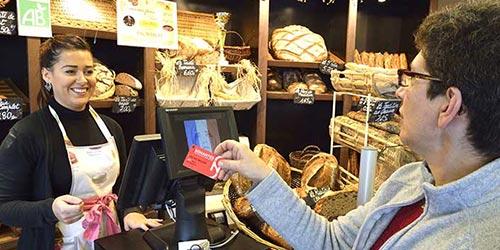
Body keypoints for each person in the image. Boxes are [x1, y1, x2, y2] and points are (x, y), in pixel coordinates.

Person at [214, 1, 499, 249]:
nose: (401, 90)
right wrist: (262, 175)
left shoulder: (478, 238)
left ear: (448, 105)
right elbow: (332, 242)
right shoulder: (411, 180)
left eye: (412, 78)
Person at [0, 35, 161, 250]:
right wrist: (51, 209)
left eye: (88, 71)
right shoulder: (28, 132)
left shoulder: (111, 128)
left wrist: (131, 212)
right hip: (58, 242)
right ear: (47, 75)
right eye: (70, 71)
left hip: (109, 238)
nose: (82, 80)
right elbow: (4, 206)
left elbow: (123, 188)